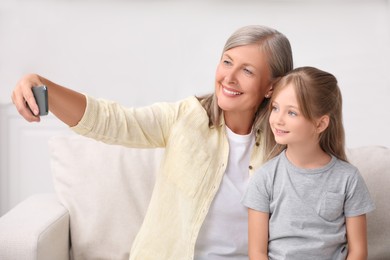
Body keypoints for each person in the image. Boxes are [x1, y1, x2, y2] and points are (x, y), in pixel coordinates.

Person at [11, 25, 293, 259]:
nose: (228, 78)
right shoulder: (185, 117)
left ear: (271, 86)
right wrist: (39, 82)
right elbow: (109, 120)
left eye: (247, 71)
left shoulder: (285, 146)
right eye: (227, 62)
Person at [242, 66, 375, 260]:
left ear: (320, 124)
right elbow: (257, 253)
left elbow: (358, 252)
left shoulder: (349, 179)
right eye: (275, 108)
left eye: (292, 113)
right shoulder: (265, 178)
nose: (278, 119)